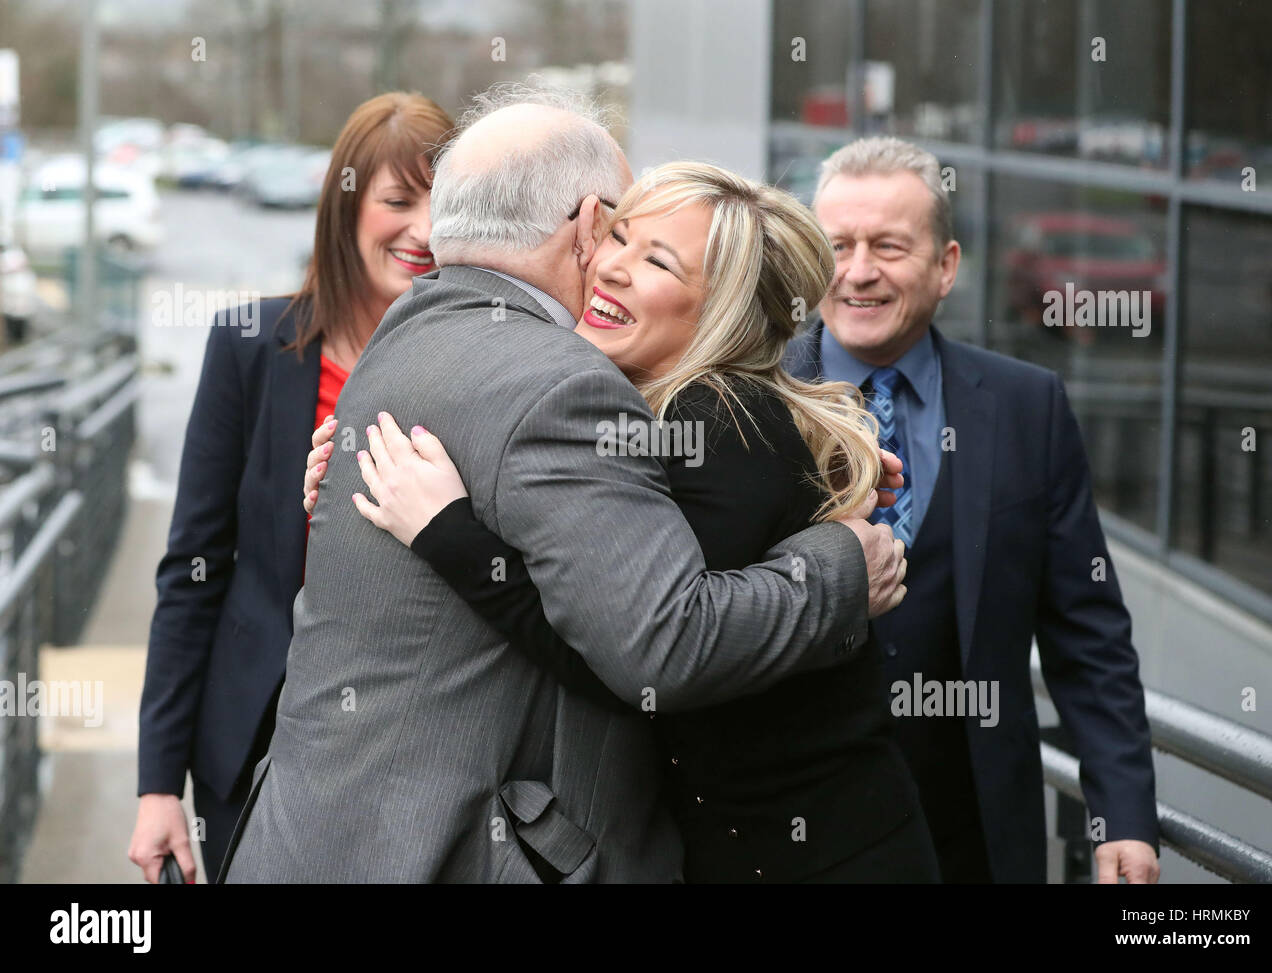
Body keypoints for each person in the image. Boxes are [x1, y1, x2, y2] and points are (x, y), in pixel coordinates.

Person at [219, 85, 907, 884]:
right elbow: (652, 648)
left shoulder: (415, 335)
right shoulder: (571, 389)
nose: (610, 262)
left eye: (651, 255)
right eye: (617, 233)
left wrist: (448, 533)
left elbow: (632, 650)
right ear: (583, 225)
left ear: (719, 306)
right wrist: (838, 569)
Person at [781, 136, 1160, 883]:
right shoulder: (751, 397)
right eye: (838, 246)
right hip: (791, 841)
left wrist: (1122, 813)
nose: (858, 272)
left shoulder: (1028, 407)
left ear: (946, 265)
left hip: (976, 842)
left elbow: (1088, 631)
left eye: (888, 246)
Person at [128, 92, 455, 883]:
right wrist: (155, 782)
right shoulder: (249, 344)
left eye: (443, 206)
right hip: (250, 743)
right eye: (397, 201)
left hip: (414, 751)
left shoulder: (474, 366)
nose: (421, 230)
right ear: (344, 208)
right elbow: (194, 568)